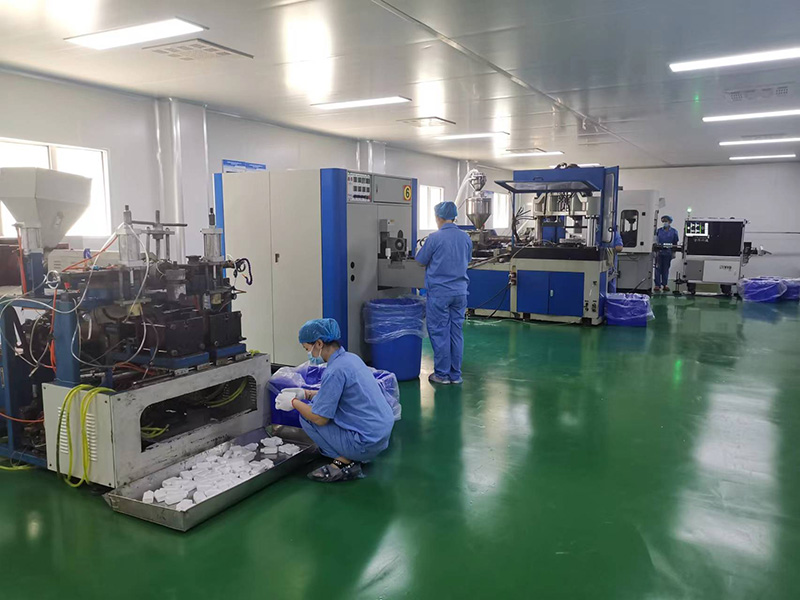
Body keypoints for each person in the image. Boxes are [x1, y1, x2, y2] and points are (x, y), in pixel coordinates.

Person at [275, 318, 395, 482]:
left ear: (319, 343)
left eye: (307, 349)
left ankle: (346, 460)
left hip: (366, 442)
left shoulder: (334, 371)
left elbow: (320, 418)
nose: (309, 354)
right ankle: (349, 455)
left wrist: (293, 403)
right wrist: (307, 394)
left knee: (307, 416)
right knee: (316, 405)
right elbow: (338, 394)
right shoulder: (351, 359)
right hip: (381, 433)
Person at [414, 201, 472, 385]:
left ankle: (441, 374)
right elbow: (468, 259)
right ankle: (455, 375)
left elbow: (420, 260)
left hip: (440, 293)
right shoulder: (465, 238)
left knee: (440, 332)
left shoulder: (434, 238)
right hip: (460, 292)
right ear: (453, 216)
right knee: (456, 332)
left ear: (438, 217)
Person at [655, 215, 679, 292]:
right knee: (657, 269)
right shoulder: (659, 231)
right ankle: (657, 285)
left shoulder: (674, 232)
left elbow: (675, 243)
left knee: (665, 269)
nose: (665, 223)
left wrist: (674, 253)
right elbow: (655, 241)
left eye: (666, 221)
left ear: (670, 222)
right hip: (659, 252)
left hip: (668, 252)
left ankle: (665, 284)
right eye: (664, 221)